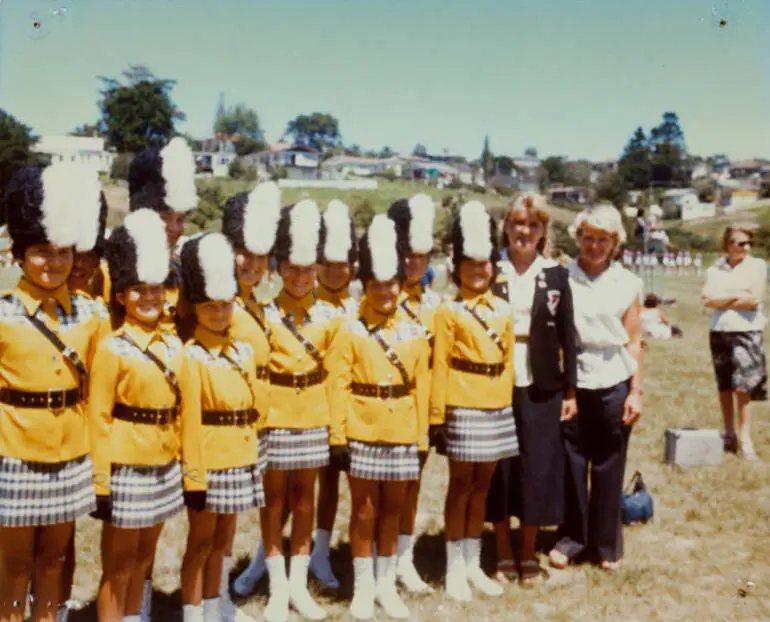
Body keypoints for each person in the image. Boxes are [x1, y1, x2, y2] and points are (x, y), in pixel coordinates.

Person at [0, 162, 104, 622]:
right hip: (14, 453)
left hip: (70, 455)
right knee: (14, 563)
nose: (55, 262)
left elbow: (98, 388)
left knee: (54, 561)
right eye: (42, 251)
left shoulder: (90, 314)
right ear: (19, 254)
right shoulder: (1, 314)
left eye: (63, 251)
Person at [326, 215, 430, 620]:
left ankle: (387, 585)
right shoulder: (350, 330)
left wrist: (421, 438)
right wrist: (338, 437)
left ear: (400, 286)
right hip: (362, 429)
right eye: (375, 285)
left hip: (402, 429)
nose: (383, 292)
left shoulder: (415, 331)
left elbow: (420, 386)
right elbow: (339, 384)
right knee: (365, 510)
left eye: (390, 284)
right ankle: (363, 586)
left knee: (393, 511)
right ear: (364, 287)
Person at [87, 209, 185, 622]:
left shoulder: (172, 345)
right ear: (123, 294)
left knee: (146, 556)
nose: (149, 298)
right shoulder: (113, 347)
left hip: (163, 464)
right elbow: (99, 416)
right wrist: (101, 481)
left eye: (157, 290)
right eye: (139, 291)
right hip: (126, 466)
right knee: (119, 562)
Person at [429, 201, 518, 602]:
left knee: (484, 486)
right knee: (460, 486)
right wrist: (439, 414)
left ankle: (472, 562)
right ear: (457, 269)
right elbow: (441, 362)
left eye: (484, 265)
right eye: (469, 265)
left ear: (493, 269)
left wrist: (506, 405)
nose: (477, 272)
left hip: (496, 406)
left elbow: (509, 361)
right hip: (462, 405)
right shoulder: (449, 311)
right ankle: (452, 569)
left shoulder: (503, 310)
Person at [487, 193, 577, 585]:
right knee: (500, 468)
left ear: (543, 231)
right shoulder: (488, 268)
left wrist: (570, 392)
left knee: (537, 467)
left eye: (533, 225)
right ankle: (502, 551)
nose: (524, 231)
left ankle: (527, 554)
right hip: (493, 381)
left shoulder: (556, 274)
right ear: (505, 225)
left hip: (542, 383)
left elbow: (569, 339)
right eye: (517, 223)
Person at [548, 204, 643, 573]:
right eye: (588, 237)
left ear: (615, 242)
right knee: (571, 462)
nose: (594, 245)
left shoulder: (627, 283)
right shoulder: (560, 277)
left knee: (609, 462)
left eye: (603, 239)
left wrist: (636, 390)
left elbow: (635, 340)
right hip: (572, 379)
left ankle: (606, 544)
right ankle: (572, 537)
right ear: (578, 238)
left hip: (613, 377)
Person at [127, 136, 199, 621]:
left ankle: (145, 607)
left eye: (180, 220)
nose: (175, 228)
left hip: (168, 421)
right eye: (166, 218)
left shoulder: (179, 269)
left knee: (151, 532)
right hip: (122, 420)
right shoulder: (118, 269)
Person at [178, 233, 267, 622]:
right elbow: (192, 421)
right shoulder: (191, 356)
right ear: (196, 307)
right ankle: (193, 609)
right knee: (200, 542)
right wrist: (194, 476)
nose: (218, 313)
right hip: (209, 459)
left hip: (239, 454)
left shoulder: (241, 351)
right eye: (210, 307)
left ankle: (217, 605)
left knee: (224, 542)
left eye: (225, 306)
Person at [260, 200, 338, 622]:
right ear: (279, 264)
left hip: (311, 416)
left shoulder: (328, 315)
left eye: (308, 269)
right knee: (273, 501)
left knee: (304, 500)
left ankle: (298, 584)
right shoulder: (263, 313)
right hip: (274, 415)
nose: (300, 276)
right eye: (292, 267)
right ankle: (275, 587)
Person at [220, 182, 283, 621]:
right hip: (221, 428)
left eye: (261, 256)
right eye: (245, 252)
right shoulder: (215, 303)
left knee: (231, 520)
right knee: (216, 524)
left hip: (256, 426)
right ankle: (210, 599)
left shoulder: (262, 302)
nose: (253, 264)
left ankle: (216, 598)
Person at [385, 193, 439, 594]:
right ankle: (375, 558)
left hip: (420, 412)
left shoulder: (437, 305)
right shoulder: (379, 300)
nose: (412, 263)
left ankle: (404, 557)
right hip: (383, 412)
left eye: (420, 255)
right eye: (405, 254)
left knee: (412, 485)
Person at [310, 199, 360, 589]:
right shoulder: (305, 304)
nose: (336, 269)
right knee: (291, 489)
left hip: (345, 411)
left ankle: (322, 553)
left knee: (332, 485)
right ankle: (266, 554)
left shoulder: (359, 308)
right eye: (328, 261)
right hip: (305, 408)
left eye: (344, 262)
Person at [701, 225, 766, 460]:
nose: (745, 248)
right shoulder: (714, 269)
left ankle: (746, 439)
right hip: (720, 331)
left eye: (749, 243)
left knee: (743, 387)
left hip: (747, 331)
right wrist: (736, 296)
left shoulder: (757, 266)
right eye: (740, 243)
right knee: (725, 385)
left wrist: (722, 299)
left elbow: (753, 300)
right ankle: (729, 434)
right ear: (728, 244)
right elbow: (706, 299)